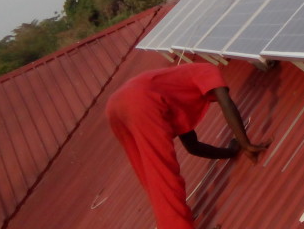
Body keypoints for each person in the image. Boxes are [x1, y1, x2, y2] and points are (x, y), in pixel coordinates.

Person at [106, 63, 269, 229]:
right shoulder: (206, 69)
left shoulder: (176, 93)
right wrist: (245, 144)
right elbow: (226, 102)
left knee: (151, 178)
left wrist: (230, 152)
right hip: (139, 101)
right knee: (164, 174)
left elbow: (193, 147)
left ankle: (175, 222)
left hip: (115, 106)